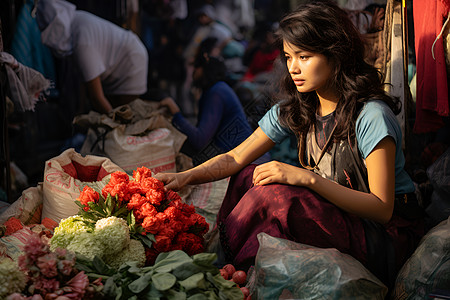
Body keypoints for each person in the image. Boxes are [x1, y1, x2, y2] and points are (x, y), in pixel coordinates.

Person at [155, 0, 424, 288]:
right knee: (248, 176)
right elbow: (235, 158)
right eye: (288, 57)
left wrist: (307, 179)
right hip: (338, 217)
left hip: (382, 235)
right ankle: (232, 266)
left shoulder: (371, 116)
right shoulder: (297, 109)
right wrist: (184, 177)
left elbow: (381, 208)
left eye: (304, 57)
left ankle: (235, 271)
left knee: (276, 197)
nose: (294, 68)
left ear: (336, 55)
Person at [35, 0, 148, 114]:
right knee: (120, 111)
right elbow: (85, 79)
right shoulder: (76, 21)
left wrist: (114, 125)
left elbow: (96, 97)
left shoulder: (81, 41)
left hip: (131, 61)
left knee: (126, 113)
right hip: (128, 53)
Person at [160, 48, 270, 165]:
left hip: (249, 160)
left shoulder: (216, 92)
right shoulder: (214, 90)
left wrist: (176, 113)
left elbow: (199, 140)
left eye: (197, 67)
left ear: (205, 70)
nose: (193, 72)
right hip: (241, 155)